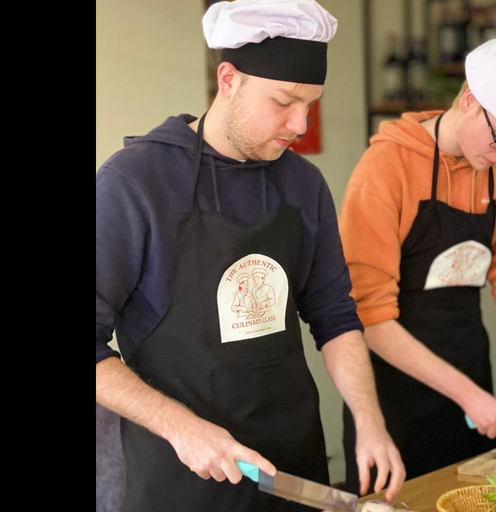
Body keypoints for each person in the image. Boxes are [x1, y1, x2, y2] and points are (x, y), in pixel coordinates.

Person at [95, 1, 404, 510]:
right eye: (284, 101)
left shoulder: (304, 184)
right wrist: (182, 427)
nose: (300, 123)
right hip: (183, 477)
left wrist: (370, 423)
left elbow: (334, 315)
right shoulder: (135, 183)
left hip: (293, 470)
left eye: (311, 104)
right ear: (229, 79)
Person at [338, 32, 496, 489]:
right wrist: (470, 397)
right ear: (468, 100)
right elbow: (369, 317)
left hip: (472, 380)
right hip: (393, 397)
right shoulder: (385, 168)